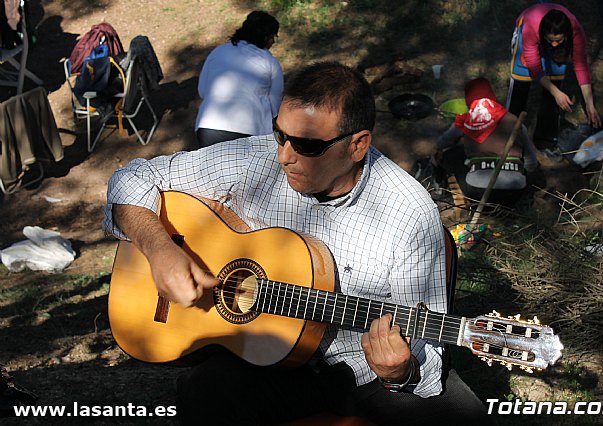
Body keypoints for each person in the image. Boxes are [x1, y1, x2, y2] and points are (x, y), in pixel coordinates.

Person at [104, 62, 488, 425]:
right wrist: (161, 249)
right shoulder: (255, 159)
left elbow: (427, 354)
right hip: (260, 353)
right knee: (203, 392)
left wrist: (400, 371)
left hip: (359, 368)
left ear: (357, 145)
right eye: (279, 134)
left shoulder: (407, 213)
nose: (284, 156)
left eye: (305, 145)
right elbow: (134, 178)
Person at [506, 3, 601, 150]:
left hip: (552, 35)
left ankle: (546, 142)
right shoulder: (530, 28)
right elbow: (534, 68)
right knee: (520, 85)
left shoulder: (575, 30)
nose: (555, 44)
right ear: (544, 35)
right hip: (529, 31)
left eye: (559, 40)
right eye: (551, 40)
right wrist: (557, 93)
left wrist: (590, 104)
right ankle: (509, 141)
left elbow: (581, 65)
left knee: (554, 91)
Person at [435, 78, 538, 207]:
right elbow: (532, 163)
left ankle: (443, 189)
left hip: (478, 194)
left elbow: (441, 144)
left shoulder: (466, 119)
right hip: (514, 194)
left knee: (450, 155)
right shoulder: (514, 120)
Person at [194, 11, 283, 147]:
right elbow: (275, 106)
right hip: (250, 131)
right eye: (273, 37)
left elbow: (202, 91)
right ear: (266, 37)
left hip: (208, 127)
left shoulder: (218, 51)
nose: (273, 42)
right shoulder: (270, 62)